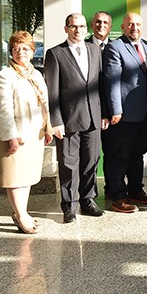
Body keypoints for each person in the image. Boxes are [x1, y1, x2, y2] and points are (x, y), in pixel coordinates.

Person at [44, 13, 106, 223]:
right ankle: (69, 206)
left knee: (91, 161)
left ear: (86, 28)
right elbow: (52, 92)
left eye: (81, 26)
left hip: (93, 117)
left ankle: (88, 200)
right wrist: (56, 121)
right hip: (68, 119)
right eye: (73, 26)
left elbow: (101, 85)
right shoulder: (55, 53)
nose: (78, 30)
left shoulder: (95, 50)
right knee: (69, 165)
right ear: (66, 29)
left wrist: (104, 114)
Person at [0, 31, 53, 234]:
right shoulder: (4, 76)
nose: (21, 52)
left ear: (33, 51)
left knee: (26, 176)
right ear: (11, 52)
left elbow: (44, 104)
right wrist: (12, 137)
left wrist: (47, 127)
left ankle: (22, 212)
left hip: (34, 134)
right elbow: (4, 111)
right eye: (16, 48)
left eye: (26, 48)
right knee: (15, 177)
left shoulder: (36, 74)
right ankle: (20, 216)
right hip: (15, 136)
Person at [101, 12, 147, 213]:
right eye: (130, 24)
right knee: (119, 156)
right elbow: (112, 81)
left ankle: (135, 190)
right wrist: (116, 110)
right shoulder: (115, 47)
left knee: (138, 153)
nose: (134, 28)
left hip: (145, 113)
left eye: (138, 24)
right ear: (123, 27)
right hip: (123, 115)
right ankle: (117, 196)